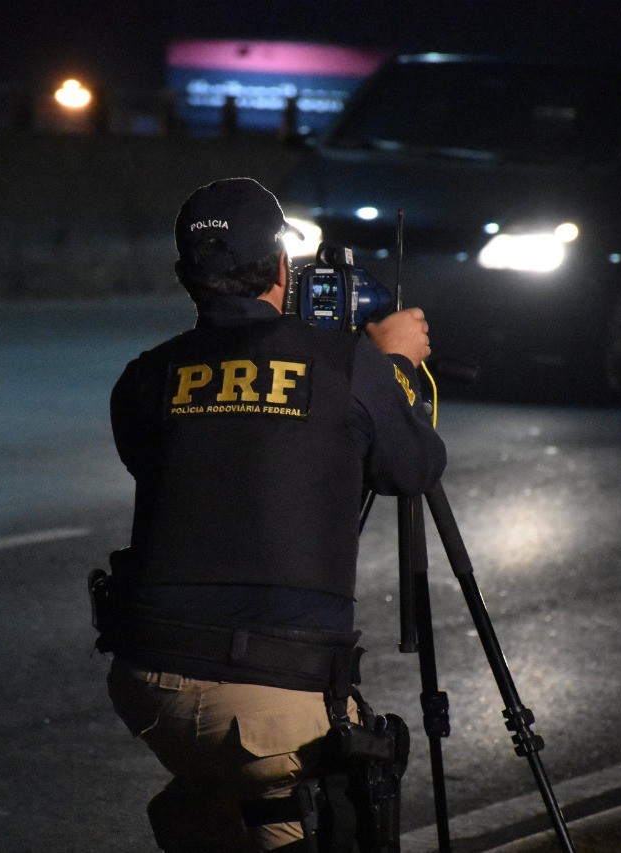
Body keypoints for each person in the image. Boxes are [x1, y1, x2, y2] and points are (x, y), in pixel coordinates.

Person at [104, 177, 446, 852]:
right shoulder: (346, 365)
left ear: (185, 277)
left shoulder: (145, 376)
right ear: (284, 270)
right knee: (328, 796)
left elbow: (170, 466)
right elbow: (412, 467)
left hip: (148, 686)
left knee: (223, 779)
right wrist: (395, 368)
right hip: (273, 696)